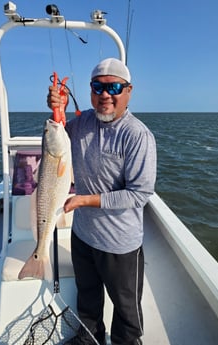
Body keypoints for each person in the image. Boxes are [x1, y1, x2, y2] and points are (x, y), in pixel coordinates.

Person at [47, 58, 157, 345]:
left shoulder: (137, 135)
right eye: (98, 87)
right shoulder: (81, 124)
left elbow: (139, 193)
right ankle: (88, 339)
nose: (105, 94)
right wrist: (56, 111)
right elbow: (55, 144)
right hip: (83, 236)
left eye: (114, 87)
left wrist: (85, 200)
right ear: (91, 90)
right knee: (87, 296)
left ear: (128, 91)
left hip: (119, 244)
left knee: (126, 310)